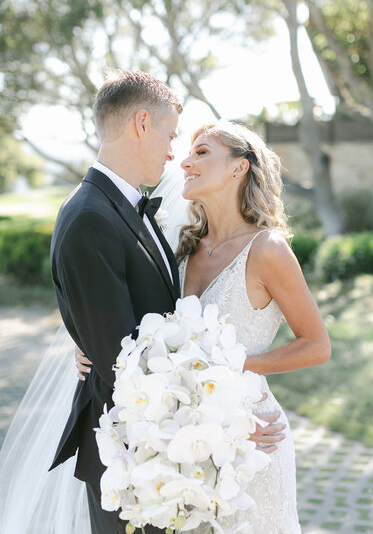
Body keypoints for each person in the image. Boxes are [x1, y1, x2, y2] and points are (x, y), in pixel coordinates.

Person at [0, 70, 285, 534]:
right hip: (138, 461)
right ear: (141, 124)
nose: (174, 153)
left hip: (162, 458)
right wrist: (223, 429)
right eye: (171, 135)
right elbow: (118, 365)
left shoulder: (124, 206)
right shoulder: (90, 216)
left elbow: (135, 327)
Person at [76, 118, 331, 532]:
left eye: (202, 152)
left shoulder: (267, 249)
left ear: (239, 167)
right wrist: (88, 338)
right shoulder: (182, 248)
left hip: (251, 433)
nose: (185, 163)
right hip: (188, 435)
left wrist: (227, 372)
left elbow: (317, 345)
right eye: (188, 153)